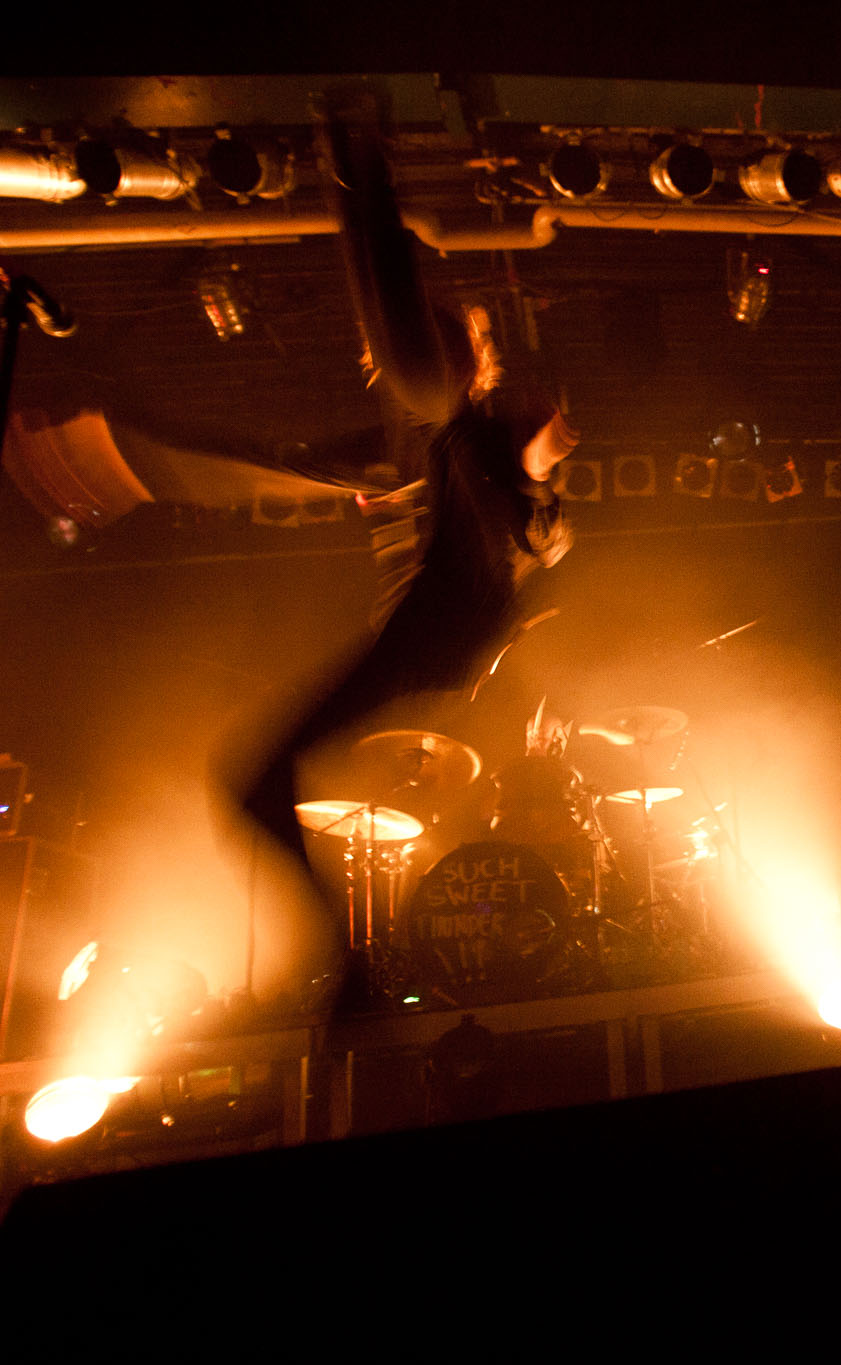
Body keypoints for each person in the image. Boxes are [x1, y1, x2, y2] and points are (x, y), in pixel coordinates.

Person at [232, 95, 576, 972]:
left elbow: (386, 300)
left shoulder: (448, 414)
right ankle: (349, 965)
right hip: (433, 634)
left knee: (257, 785)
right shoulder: (423, 439)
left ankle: (354, 147)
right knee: (255, 786)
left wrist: (358, 169)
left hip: (442, 627)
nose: (377, 353)